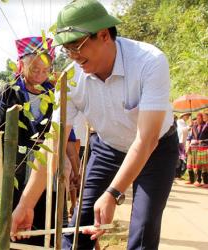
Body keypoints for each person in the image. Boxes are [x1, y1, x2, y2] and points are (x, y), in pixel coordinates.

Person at [10, 1, 178, 249]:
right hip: (108, 148)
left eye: (77, 46)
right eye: (67, 50)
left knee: (143, 229)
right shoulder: (70, 80)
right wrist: (25, 204)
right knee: (78, 228)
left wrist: (113, 193)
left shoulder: (149, 62)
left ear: (104, 35)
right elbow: (53, 143)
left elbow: (146, 139)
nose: (74, 56)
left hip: (156, 149)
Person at [0, 36, 56, 246]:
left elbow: (66, 134)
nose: (40, 75)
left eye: (45, 69)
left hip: (42, 168)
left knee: (40, 222)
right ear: (20, 65)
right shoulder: (6, 90)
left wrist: (72, 165)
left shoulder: (54, 93)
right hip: (9, 167)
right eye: (34, 69)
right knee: (5, 223)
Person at [186, 113, 208, 187]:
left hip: (204, 146)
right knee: (198, 164)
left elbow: (202, 138)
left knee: (205, 165)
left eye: (200, 118)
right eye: (197, 118)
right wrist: (193, 127)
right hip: (198, 147)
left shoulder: (205, 125)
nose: (198, 120)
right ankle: (197, 180)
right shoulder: (195, 127)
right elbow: (193, 137)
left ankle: (205, 182)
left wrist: (203, 141)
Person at [176, 112, 191, 178]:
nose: (188, 117)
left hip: (183, 143)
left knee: (182, 159)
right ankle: (177, 174)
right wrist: (188, 127)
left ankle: (179, 174)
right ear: (183, 116)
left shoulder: (184, 123)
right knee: (180, 159)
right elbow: (181, 130)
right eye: (187, 115)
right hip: (180, 142)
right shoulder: (179, 121)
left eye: (188, 116)